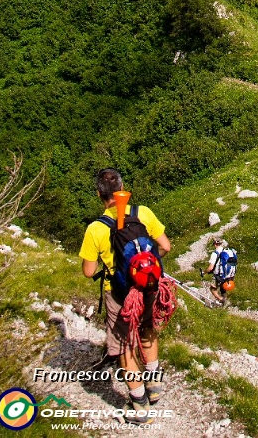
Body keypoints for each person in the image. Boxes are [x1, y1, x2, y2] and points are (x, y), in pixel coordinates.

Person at [79, 169, 171, 413]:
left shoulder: (95, 229)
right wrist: (146, 268)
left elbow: (88, 271)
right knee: (147, 329)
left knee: (125, 346)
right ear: (122, 188)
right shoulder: (143, 213)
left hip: (118, 293)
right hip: (147, 287)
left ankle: (139, 404)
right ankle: (153, 383)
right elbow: (165, 246)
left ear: (99, 193)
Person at [204, 237, 233, 305]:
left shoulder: (215, 253)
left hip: (219, 275)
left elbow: (211, 268)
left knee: (212, 288)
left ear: (215, 244)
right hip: (228, 274)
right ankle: (224, 302)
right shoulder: (226, 251)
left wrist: (204, 272)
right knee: (223, 288)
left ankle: (223, 300)